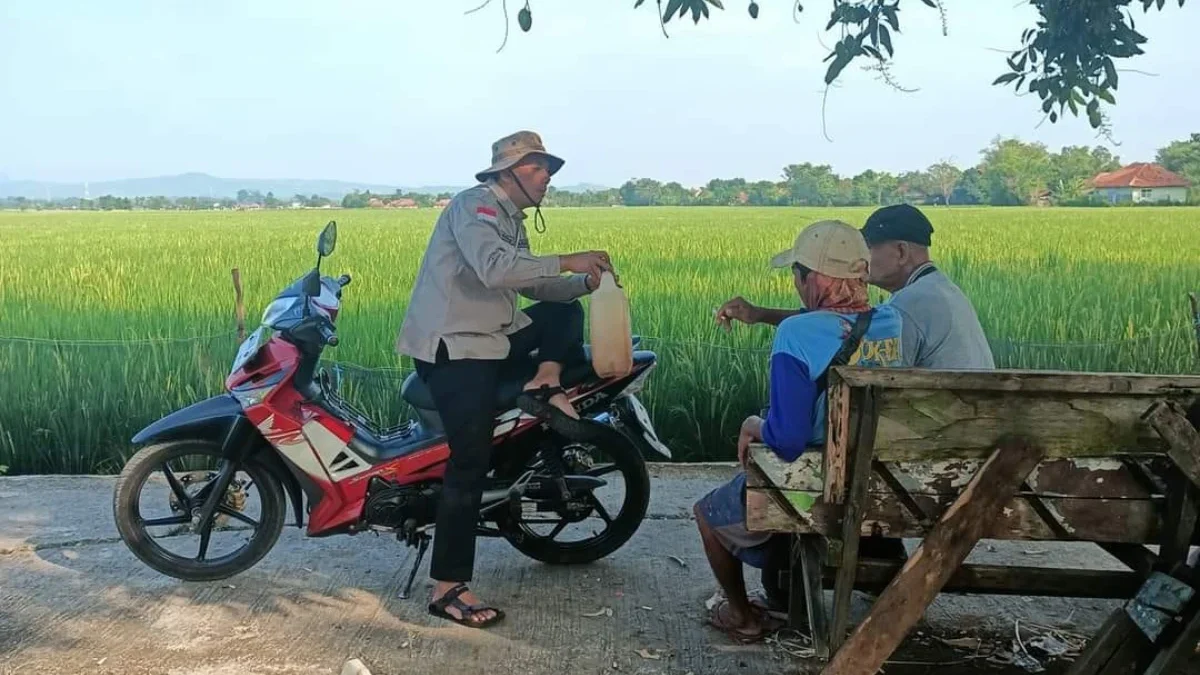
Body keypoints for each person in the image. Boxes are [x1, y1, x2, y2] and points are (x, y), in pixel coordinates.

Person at [395, 130, 613, 629]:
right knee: (469, 460)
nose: (547, 178)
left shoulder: (511, 219)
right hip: (455, 348)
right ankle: (447, 588)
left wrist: (581, 282)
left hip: (493, 337)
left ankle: (546, 380)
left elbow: (532, 281)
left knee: (564, 315)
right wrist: (567, 259)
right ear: (508, 171)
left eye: (550, 170)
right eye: (539, 168)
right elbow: (496, 270)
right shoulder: (476, 206)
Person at [694, 220, 904, 644]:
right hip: (884, 482)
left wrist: (754, 423)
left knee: (706, 514)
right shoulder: (891, 322)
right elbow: (837, 326)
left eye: (797, 273)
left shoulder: (795, 335)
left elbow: (788, 440)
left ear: (813, 278)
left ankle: (742, 617)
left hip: (817, 483)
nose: (794, 282)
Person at [716, 203, 994, 371]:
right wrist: (761, 315)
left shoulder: (907, 308)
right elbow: (847, 327)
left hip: (933, 439)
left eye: (867, 248)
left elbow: (848, 340)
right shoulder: (938, 290)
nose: (859, 259)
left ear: (900, 251)